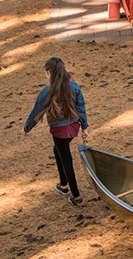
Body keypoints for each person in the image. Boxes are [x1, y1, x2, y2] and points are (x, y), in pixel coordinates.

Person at [23, 57, 89, 204]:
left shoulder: (46, 92)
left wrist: (26, 129)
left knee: (66, 160)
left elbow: (36, 113)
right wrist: (84, 127)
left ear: (48, 73)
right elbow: (81, 107)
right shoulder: (74, 86)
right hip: (73, 128)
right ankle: (63, 184)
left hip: (59, 131)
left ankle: (76, 196)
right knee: (57, 150)